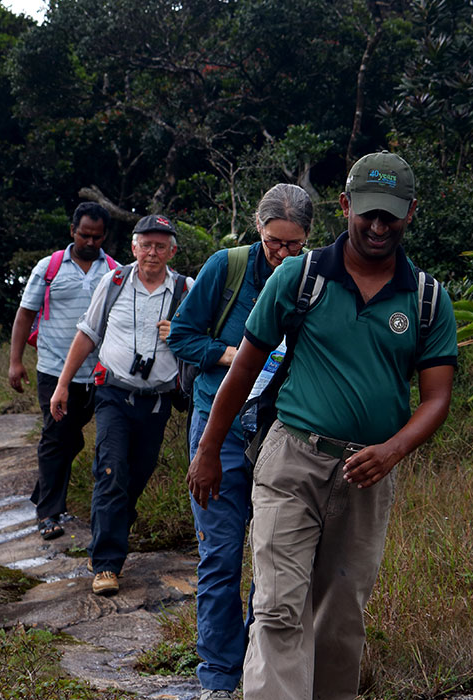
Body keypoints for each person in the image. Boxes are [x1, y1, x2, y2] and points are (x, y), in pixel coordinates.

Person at [187, 152, 457, 699]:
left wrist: (393, 451)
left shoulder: (427, 298)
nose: (378, 226)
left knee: (339, 619)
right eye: (368, 214)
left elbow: (436, 398)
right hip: (292, 460)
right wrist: (209, 447)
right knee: (279, 608)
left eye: (391, 216)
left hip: (368, 475)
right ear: (345, 207)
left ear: (409, 214)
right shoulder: (299, 276)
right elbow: (244, 367)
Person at [167, 183, 313, 700]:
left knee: (273, 562)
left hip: (279, 432)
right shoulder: (225, 268)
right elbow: (180, 335)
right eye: (276, 243)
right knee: (221, 557)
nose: (283, 255)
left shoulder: (313, 279)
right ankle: (217, 678)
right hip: (219, 428)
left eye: (295, 245)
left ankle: (258, 674)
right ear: (259, 228)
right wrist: (230, 355)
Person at [50, 213, 190, 596]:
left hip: (157, 401)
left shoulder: (185, 290)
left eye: (161, 245)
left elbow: (199, 341)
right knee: (110, 472)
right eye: (146, 244)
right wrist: (62, 385)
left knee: (135, 479)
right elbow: (88, 333)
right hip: (112, 393)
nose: (152, 252)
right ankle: (107, 564)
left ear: (172, 250)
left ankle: (109, 533)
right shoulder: (112, 282)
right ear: (133, 247)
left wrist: (178, 333)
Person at [9, 202, 116, 541]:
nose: (91, 242)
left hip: (99, 372)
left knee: (71, 439)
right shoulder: (50, 267)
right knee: (57, 437)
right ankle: (49, 513)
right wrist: (15, 362)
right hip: (55, 370)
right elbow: (25, 314)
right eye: (85, 234)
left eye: (98, 237)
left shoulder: (114, 271)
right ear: (72, 231)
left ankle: (45, 495)